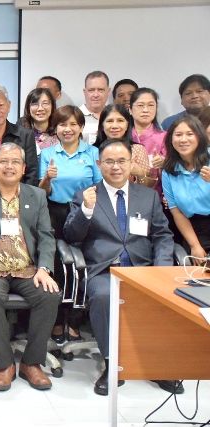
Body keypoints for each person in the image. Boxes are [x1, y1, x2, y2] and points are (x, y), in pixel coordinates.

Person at [63, 139, 177, 396]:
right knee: (104, 297)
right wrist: (86, 210)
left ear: (131, 163)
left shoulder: (147, 196)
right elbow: (71, 236)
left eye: (121, 161)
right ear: (99, 164)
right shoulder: (86, 194)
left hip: (142, 270)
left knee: (163, 295)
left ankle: (157, 363)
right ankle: (112, 363)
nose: (116, 167)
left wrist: (162, 269)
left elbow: (162, 235)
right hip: (104, 270)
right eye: (109, 161)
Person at [0, 142, 60, 392]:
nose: (9, 166)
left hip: (27, 268)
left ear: (24, 168)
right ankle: (5, 365)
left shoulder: (36, 195)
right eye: (3, 161)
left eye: (15, 162)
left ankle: (31, 363)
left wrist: (44, 268)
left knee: (49, 295)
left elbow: (46, 236)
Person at [38, 105, 102, 343]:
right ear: (55, 128)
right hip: (55, 212)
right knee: (56, 265)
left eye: (73, 124)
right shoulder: (48, 153)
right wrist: (47, 178)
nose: (68, 129)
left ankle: (75, 321)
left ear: (81, 127)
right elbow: (42, 191)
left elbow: (100, 185)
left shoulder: (92, 153)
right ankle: (56, 320)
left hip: (85, 210)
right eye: (62, 124)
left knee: (84, 263)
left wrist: (88, 205)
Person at [162, 116, 210, 262]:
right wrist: (195, 245)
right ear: (171, 139)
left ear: (199, 136)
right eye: (178, 135)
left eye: (190, 134)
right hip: (194, 231)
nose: (183, 140)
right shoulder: (168, 170)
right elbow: (177, 212)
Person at [94, 104, 150, 185]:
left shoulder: (137, 149)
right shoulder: (92, 151)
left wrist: (140, 173)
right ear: (102, 126)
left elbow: (148, 187)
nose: (115, 126)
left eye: (120, 120)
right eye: (110, 121)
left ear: (127, 125)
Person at [130, 88, 167, 192]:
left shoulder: (165, 137)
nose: (145, 110)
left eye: (151, 105)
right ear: (130, 109)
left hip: (156, 194)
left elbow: (175, 167)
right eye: (140, 105)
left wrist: (164, 163)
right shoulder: (123, 136)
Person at [18, 88, 59, 154]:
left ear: (52, 106)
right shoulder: (20, 133)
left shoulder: (60, 132)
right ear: (28, 108)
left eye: (45, 103)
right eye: (35, 104)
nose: (40, 108)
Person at [80, 71, 110, 145]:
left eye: (100, 90)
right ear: (84, 92)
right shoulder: (74, 116)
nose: (96, 95)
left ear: (108, 92)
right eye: (91, 90)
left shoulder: (115, 116)